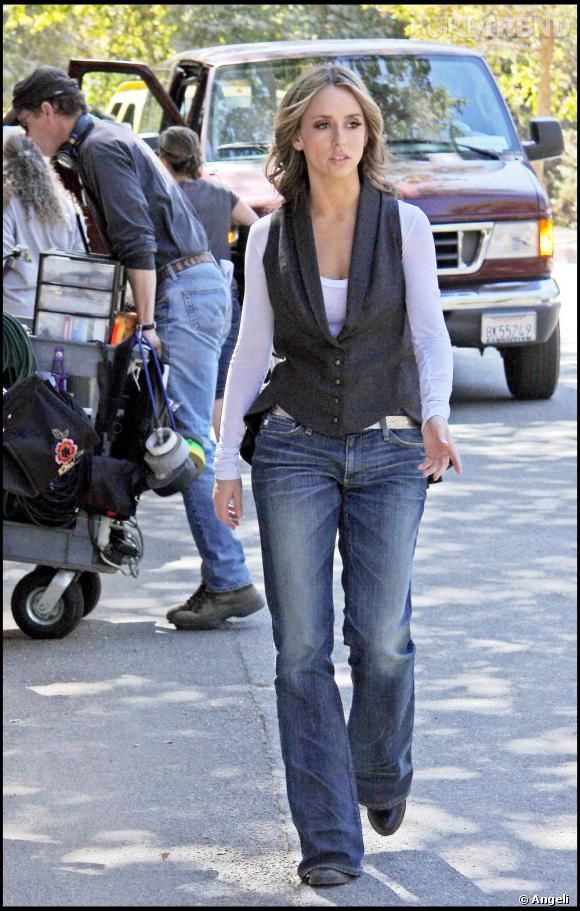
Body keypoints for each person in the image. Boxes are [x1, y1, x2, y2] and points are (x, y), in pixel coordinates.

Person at [213, 65, 462, 887]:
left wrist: (436, 413)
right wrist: (223, 463)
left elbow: (429, 335)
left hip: (392, 448)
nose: (338, 140)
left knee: (382, 638)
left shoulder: (406, 227)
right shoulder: (269, 238)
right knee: (301, 651)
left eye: (351, 124)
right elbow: (251, 350)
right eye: (321, 125)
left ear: (368, 134)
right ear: (295, 137)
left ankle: (381, 771)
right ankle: (328, 838)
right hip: (294, 447)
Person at [6, 66, 264, 629]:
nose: (25, 136)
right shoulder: (104, 143)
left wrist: (145, 324)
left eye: (26, 122)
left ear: (50, 109)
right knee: (180, 433)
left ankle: (229, 580)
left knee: (188, 440)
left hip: (182, 291)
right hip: (194, 286)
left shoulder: (99, 147)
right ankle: (223, 575)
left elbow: (137, 242)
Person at [157, 125, 258, 438]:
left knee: (189, 387)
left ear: (163, 159)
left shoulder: (161, 199)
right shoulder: (220, 193)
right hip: (225, 295)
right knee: (220, 386)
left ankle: (198, 454)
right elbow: (257, 224)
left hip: (183, 298)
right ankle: (228, 460)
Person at [3, 130, 86, 325]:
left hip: (13, 315)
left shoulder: (8, 204)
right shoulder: (68, 205)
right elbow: (80, 262)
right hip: (56, 315)